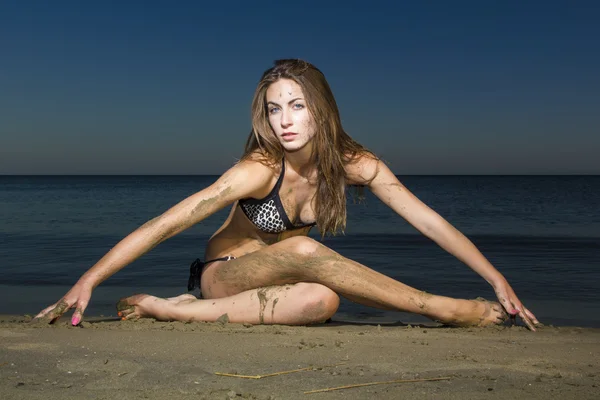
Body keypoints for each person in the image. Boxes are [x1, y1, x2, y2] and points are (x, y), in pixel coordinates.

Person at [34, 59, 539, 331]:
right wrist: (91, 277)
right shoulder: (260, 168)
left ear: (320, 109)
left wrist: (495, 277)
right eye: (275, 109)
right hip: (222, 274)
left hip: (277, 284)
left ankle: (166, 309)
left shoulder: (356, 163)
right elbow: (172, 220)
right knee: (300, 250)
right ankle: (441, 309)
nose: (285, 120)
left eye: (296, 105)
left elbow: (428, 221)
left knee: (321, 300)